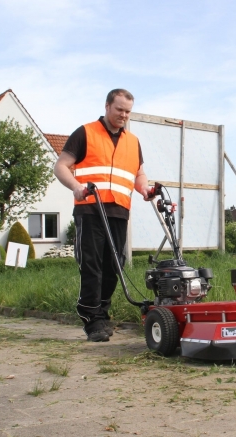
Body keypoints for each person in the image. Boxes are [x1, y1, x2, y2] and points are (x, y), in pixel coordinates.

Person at [53, 89, 151, 342]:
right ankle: (91, 320)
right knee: (92, 266)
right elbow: (61, 166)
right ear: (107, 106)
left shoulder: (133, 141)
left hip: (119, 211)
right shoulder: (85, 133)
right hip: (91, 209)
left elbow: (138, 174)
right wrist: (76, 187)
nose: (123, 115)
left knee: (112, 268)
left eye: (128, 111)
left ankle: (102, 315)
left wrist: (145, 188)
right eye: (119, 109)